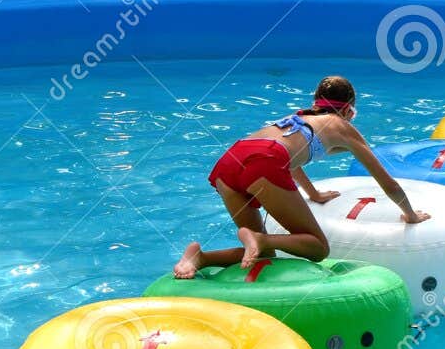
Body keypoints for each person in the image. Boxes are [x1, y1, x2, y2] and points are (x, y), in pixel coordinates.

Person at [174, 75, 428, 279]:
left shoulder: (298, 118)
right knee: (317, 248)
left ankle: (200, 257)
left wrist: (313, 194)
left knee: (264, 257)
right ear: (350, 110)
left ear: (315, 101)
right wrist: (410, 214)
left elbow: (291, 161)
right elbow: (387, 182)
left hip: (230, 160)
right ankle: (260, 238)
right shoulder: (344, 127)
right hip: (264, 161)